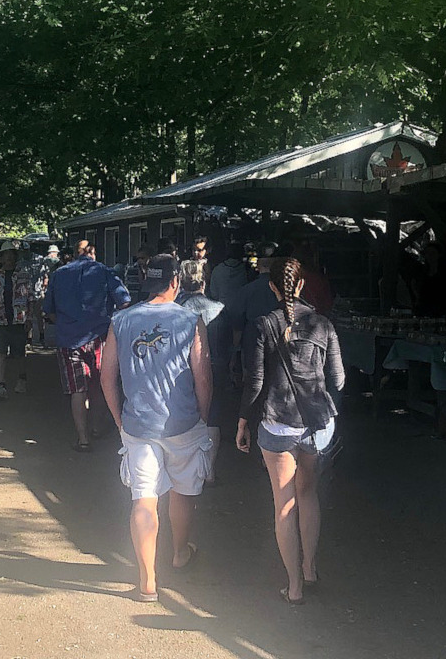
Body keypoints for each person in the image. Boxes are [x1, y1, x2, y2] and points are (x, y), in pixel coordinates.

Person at [100, 254, 213, 603]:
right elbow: (203, 376)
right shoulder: (191, 320)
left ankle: (147, 581)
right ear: (176, 282)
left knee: (143, 499)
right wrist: (203, 416)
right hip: (183, 422)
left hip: (138, 424)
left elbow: (106, 376)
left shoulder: (121, 320)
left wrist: (119, 419)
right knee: (182, 491)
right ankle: (179, 553)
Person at [236, 257, 344, 605]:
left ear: (272, 287)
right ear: (301, 285)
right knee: (308, 495)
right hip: (316, 425)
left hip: (278, 424)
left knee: (284, 505)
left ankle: (294, 588)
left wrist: (243, 420)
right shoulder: (323, 324)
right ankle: (310, 570)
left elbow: (254, 382)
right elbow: (339, 379)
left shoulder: (262, 325)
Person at [43, 239, 132, 451]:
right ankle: (97, 427)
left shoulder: (59, 274)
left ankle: (83, 439)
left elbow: (48, 310)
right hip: (100, 337)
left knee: (77, 389)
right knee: (100, 383)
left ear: (75, 253)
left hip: (69, 339)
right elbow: (124, 301)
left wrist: (65, 323)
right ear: (93, 252)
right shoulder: (105, 272)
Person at [177, 259, 226, 480]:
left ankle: (186, 467)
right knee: (213, 418)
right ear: (204, 282)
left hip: (183, 369)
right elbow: (230, 341)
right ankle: (209, 470)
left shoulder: (175, 310)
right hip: (216, 365)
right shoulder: (219, 309)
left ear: (180, 282)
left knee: (185, 415)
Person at [0, 242, 32, 400]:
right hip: (1, 319)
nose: (9, 258)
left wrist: (30, 317)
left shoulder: (24, 276)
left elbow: (31, 298)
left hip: (19, 319)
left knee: (19, 352)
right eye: (6, 255)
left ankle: (22, 378)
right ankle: (1, 383)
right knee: (1, 352)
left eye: (11, 254)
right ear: (1, 258)